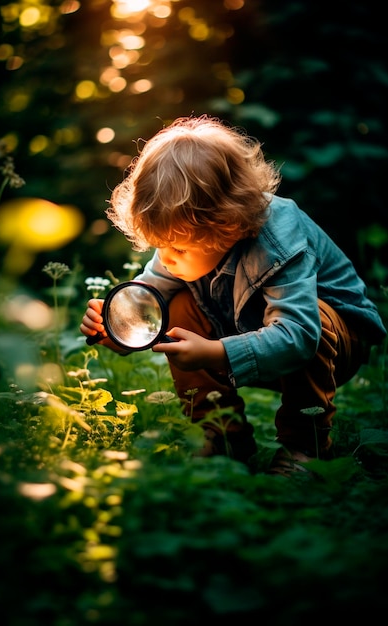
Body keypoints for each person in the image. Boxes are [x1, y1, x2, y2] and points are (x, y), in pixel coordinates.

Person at [80, 114, 387, 476]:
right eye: (160, 245)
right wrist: (116, 328)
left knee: (313, 319)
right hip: (255, 333)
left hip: (333, 344)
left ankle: (305, 447)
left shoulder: (278, 240)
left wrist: (215, 352)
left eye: (176, 247)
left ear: (225, 228)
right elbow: (145, 300)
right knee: (176, 304)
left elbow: (301, 336)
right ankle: (222, 434)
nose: (165, 258)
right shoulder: (184, 243)